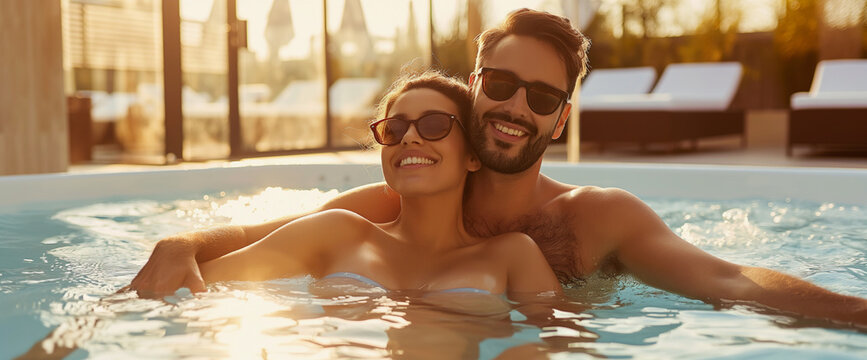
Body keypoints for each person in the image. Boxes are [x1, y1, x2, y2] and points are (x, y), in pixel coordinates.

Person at [129, 8, 867, 325]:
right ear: (475, 82)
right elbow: (270, 237)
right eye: (503, 84)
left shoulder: (594, 216)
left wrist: (856, 313)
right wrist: (185, 244)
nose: (516, 107)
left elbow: (729, 281)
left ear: (560, 118)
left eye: (541, 96)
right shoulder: (408, 194)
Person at [196, 71, 563, 297]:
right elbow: (191, 286)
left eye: (434, 125)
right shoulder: (337, 231)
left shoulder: (512, 255)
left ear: (472, 155)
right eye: (395, 128)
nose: (410, 139)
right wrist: (182, 246)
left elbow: (558, 344)